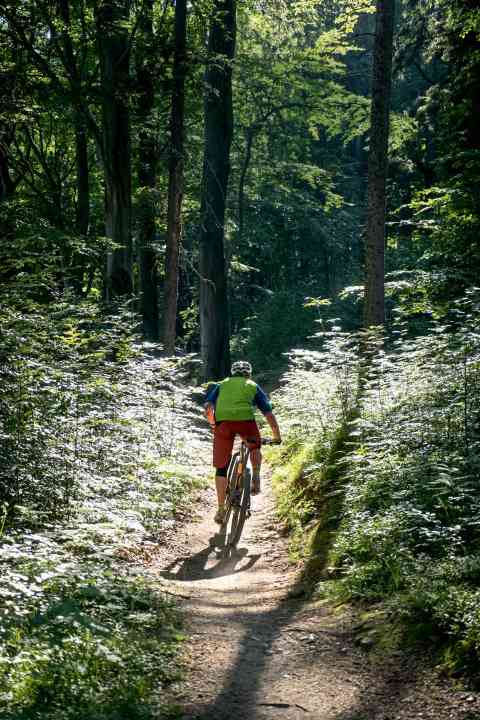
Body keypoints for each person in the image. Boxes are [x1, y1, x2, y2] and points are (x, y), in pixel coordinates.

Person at [204, 360, 282, 524]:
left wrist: (213, 423)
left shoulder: (221, 384)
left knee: (221, 468)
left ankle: (220, 508)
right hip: (245, 423)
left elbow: (208, 407)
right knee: (254, 446)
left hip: (223, 424)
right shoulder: (252, 385)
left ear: (232, 373)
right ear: (249, 373)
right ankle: (256, 476)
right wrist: (276, 436)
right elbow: (268, 413)